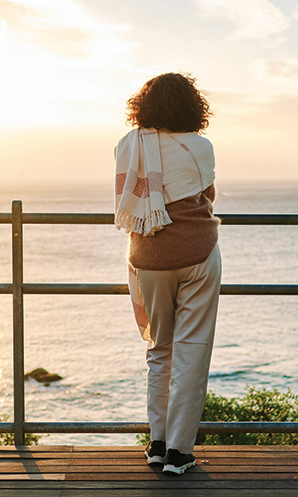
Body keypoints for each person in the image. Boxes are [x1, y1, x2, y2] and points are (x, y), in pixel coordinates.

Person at [114, 72, 221, 476]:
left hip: (148, 256)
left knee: (159, 349)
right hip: (198, 253)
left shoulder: (128, 145)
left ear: (144, 105)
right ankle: (179, 452)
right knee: (191, 352)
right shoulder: (200, 147)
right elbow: (205, 196)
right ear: (193, 107)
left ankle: (157, 444)